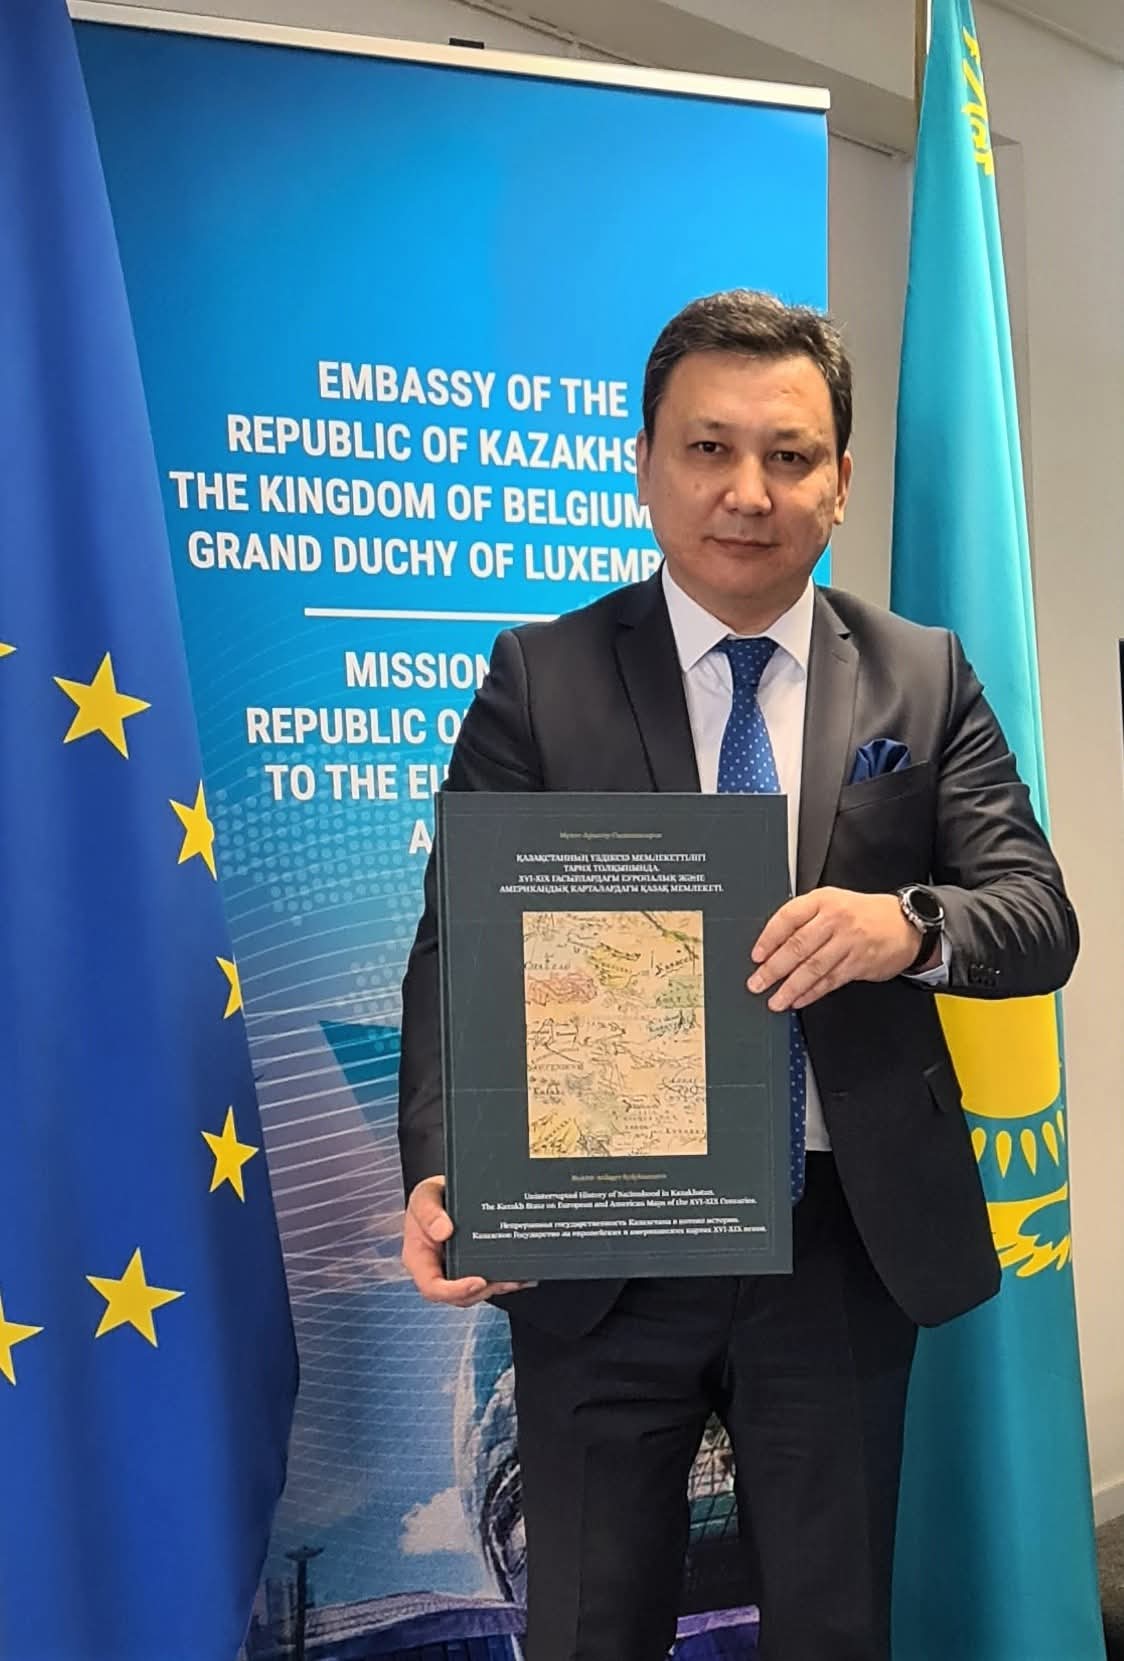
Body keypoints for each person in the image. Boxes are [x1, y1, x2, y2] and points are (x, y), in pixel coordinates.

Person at [397, 289, 1078, 1661]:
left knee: (833, 1626)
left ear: (841, 482)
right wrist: (446, 1162)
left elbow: (1037, 915)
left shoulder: (922, 676)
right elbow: (458, 948)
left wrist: (908, 925)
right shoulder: (542, 677)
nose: (748, 491)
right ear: (645, 465)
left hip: (840, 1238)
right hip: (602, 1236)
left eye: (789, 454)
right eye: (708, 448)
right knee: (590, 1627)